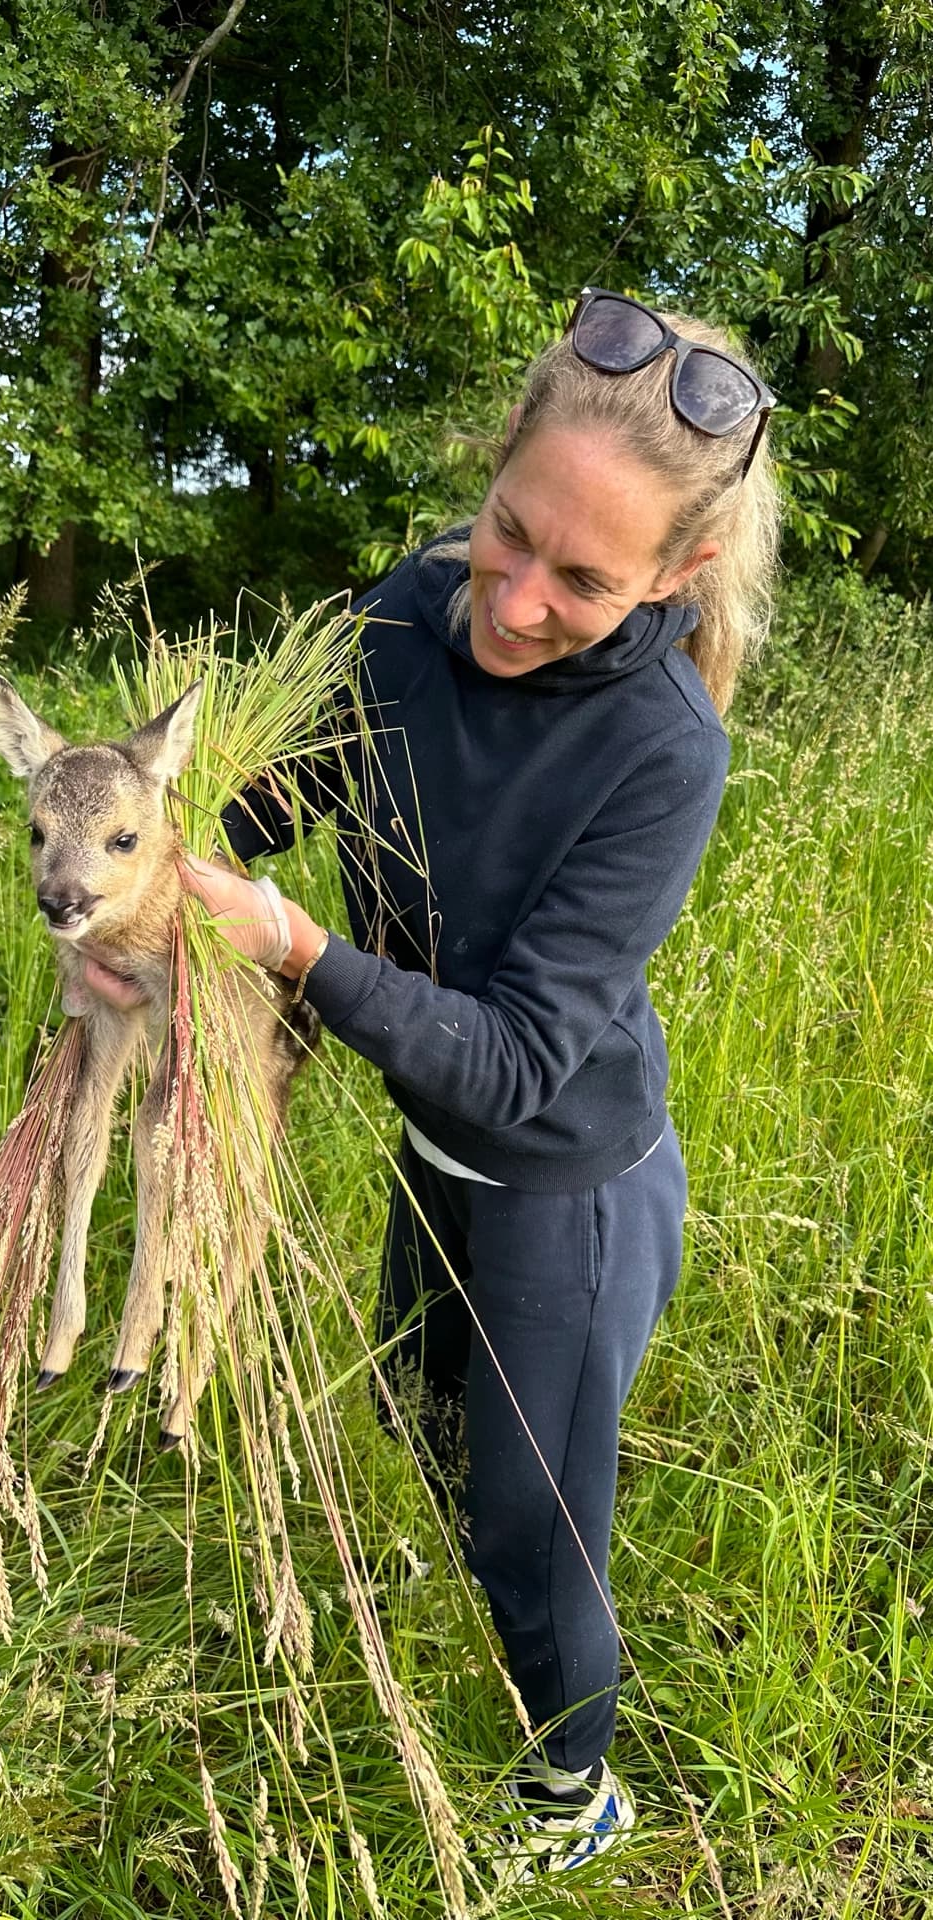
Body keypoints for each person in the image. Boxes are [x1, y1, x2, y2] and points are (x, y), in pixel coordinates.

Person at [84, 288, 781, 1884]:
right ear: (492, 471)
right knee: (422, 1407)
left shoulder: (665, 749)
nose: (516, 601)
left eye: (584, 577)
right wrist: (141, 895)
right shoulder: (405, 610)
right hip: (428, 1143)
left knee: (535, 1535)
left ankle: (573, 1795)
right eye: (508, 531)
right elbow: (283, 794)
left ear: (676, 575)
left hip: (559, 1179)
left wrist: (294, 956)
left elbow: (529, 1059)